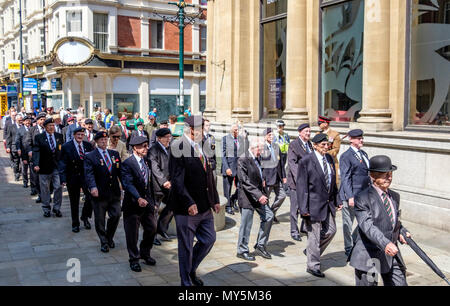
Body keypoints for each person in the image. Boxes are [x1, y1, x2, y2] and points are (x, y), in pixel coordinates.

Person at [168, 116, 220, 286]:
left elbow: (209, 175)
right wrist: (189, 202)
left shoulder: (202, 146)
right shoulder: (178, 147)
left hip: (205, 206)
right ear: (191, 129)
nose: (203, 132)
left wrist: (215, 199)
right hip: (186, 208)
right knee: (186, 247)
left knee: (209, 239)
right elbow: (177, 180)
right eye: (200, 129)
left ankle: (191, 269)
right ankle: (186, 282)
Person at [349, 155, 411, 286]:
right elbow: (367, 226)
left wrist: (402, 231)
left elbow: (392, 220)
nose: (389, 177)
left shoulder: (395, 196)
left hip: (391, 254)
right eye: (383, 174)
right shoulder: (362, 198)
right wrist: (385, 244)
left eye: (390, 174)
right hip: (369, 255)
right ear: (372, 176)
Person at [297, 133, 342, 278]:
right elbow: (302, 186)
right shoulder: (306, 161)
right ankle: (313, 266)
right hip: (313, 205)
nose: (326, 147)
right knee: (314, 236)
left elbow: (333, 181)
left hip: (328, 203)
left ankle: (311, 251)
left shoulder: (329, 158)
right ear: (314, 146)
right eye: (323, 145)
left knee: (331, 231)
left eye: (327, 144)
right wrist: (303, 208)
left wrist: (337, 199)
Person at [121, 136, 158, 272]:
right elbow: (128, 184)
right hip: (132, 205)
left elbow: (150, 184)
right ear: (135, 148)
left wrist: (152, 202)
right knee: (132, 234)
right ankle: (134, 259)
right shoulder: (128, 163)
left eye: (147, 145)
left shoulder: (147, 161)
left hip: (147, 203)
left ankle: (145, 253)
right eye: (143, 146)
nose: (146, 148)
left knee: (152, 228)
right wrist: (138, 198)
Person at [236, 137, 274, 261]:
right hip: (248, 197)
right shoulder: (243, 159)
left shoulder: (257, 157)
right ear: (255, 147)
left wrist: (263, 181)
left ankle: (260, 244)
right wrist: (259, 195)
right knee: (246, 224)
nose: (262, 151)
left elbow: (259, 173)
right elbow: (245, 181)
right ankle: (242, 250)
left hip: (259, 195)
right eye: (261, 149)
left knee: (269, 216)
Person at [84, 131, 122, 253]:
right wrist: (92, 187)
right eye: (101, 140)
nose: (104, 142)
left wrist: (125, 185)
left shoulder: (114, 154)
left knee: (116, 214)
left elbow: (120, 172)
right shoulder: (90, 156)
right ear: (96, 142)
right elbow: (89, 174)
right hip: (99, 193)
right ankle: (103, 241)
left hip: (114, 192)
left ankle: (109, 236)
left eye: (106, 140)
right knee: (100, 219)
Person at [339, 129, 371, 257]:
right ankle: (348, 247)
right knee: (348, 222)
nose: (361, 140)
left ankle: (353, 239)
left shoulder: (364, 154)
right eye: (358, 138)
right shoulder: (346, 156)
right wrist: (350, 196)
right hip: (351, 194)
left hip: (364, 194)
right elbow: (345, 177)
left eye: (362, 138)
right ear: (351, 140)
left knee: (366, 219)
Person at [59, 127, 94, 233]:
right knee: (74, 201)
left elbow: (92, 161)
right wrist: (63, 178)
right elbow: (62, 163)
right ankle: (75, 223)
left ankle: (85, 217)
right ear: (74, 135)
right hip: (72, 177)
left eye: (82, 135)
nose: (80, 136)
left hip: (86, 177)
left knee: (90, 198)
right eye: (78, 134)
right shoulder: (66, 146)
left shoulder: (88, 146)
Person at [32, 118, 64, 218]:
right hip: (44, 167)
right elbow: (36, 151)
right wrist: (36, 164)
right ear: (45, 127)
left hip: (57, 167)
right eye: (49, 125)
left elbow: (62, 150)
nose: (52, 127)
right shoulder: (39, 137)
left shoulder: (59, 136)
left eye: (53, 125)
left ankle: (57, 208)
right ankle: (46, 208)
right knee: (45, 188)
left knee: (59, 186)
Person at [287, 123, 313, 242]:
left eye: (309, 131)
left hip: (309, 181)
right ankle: (294, 230)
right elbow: (292, 164)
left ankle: (304, 227)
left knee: (306, 205)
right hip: (297, 182)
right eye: (306, 131)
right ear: (300, 132)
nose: (308, 133)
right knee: (295, 208)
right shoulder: (294, 144)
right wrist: (301, 180)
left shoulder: (309, 144)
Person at [148, 128, 173, 244]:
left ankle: (162, 228)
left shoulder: (170, 149)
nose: (169, 139)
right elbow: (155, 168)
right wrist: (164, 181)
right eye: (166, 137)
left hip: (170, 184)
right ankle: (152, 236)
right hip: (158, 186)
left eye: (169, 137)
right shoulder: (153, 150)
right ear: (159, 138)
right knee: (154, 210)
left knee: (173, 206)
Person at [261, 128, 286, 224]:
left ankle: (272, 212)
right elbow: (260, 165)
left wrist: (284, 176)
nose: (271, 137)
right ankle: (266, 216)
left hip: (277, 177)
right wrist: (262, 178)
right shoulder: (262, 148)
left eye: (272, 135)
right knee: (265, 198)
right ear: (265, 137)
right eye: (269, 135)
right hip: (267, 178)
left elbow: (281, 163)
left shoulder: (276, 147)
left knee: (282, 196)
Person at [222, 123, 244, 215]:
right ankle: (228, 206)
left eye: (238, 129)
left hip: (239, 167)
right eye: (235, 129)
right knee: (227, 188)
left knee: (241, 186)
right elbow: (223, 155)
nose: (237, 131)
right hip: (229, 167)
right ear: (231, 130)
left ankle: (233, 198)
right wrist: (227, 168)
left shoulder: (240, 139)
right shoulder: (225, 139)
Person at [25, 113, 46, 201]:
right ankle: (40, 195)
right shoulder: (32, 130)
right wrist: (30, 151)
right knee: (36, 178)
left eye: (44, 119)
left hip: (46, 157)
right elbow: (28, 142)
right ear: (37, 121)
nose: (43, 121)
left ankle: (46, 194)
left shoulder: (48, 129)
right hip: (35, 157)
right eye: (41, 120)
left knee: (47, 177)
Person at [318, 116, 341, 182]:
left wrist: (325, 152)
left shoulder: (335, 134)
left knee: (332, 182)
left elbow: (336, 150)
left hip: (331, 162)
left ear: (325, 124)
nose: (318, 124)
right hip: (319, 161)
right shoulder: (318, 134)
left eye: (320, 123)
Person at [15, 116, 32, 188]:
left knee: (32, 169)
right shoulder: (20, 130)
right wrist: (18, 149)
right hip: (24, 151)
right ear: (24, 122)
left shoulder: (32, 129)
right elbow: (17, 141)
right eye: (26, 121)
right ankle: (25, 182)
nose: (28, 122)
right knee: (24, 168)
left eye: (29, 121)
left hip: (31, 152)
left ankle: (33, 183)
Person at [6, 114, 23, 181]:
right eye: (19, 120)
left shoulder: (23, 127)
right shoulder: (11, 127)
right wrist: (8, 147)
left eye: (21, 120)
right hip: (14, 147)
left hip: (23, 147)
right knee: (16, 162)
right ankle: (16, 174)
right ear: (16, 120)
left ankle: (21, 172)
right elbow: (8, 137)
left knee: (22, 162)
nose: (20, 121)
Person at [203, 119, 217, 185]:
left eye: (209, 125)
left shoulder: (212, 137)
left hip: (212, 164)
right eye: (206, 125)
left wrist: (214, 162)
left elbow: (213, 151)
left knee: (214, 182)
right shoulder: (200, 137)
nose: (208, 127)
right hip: (205, 165)